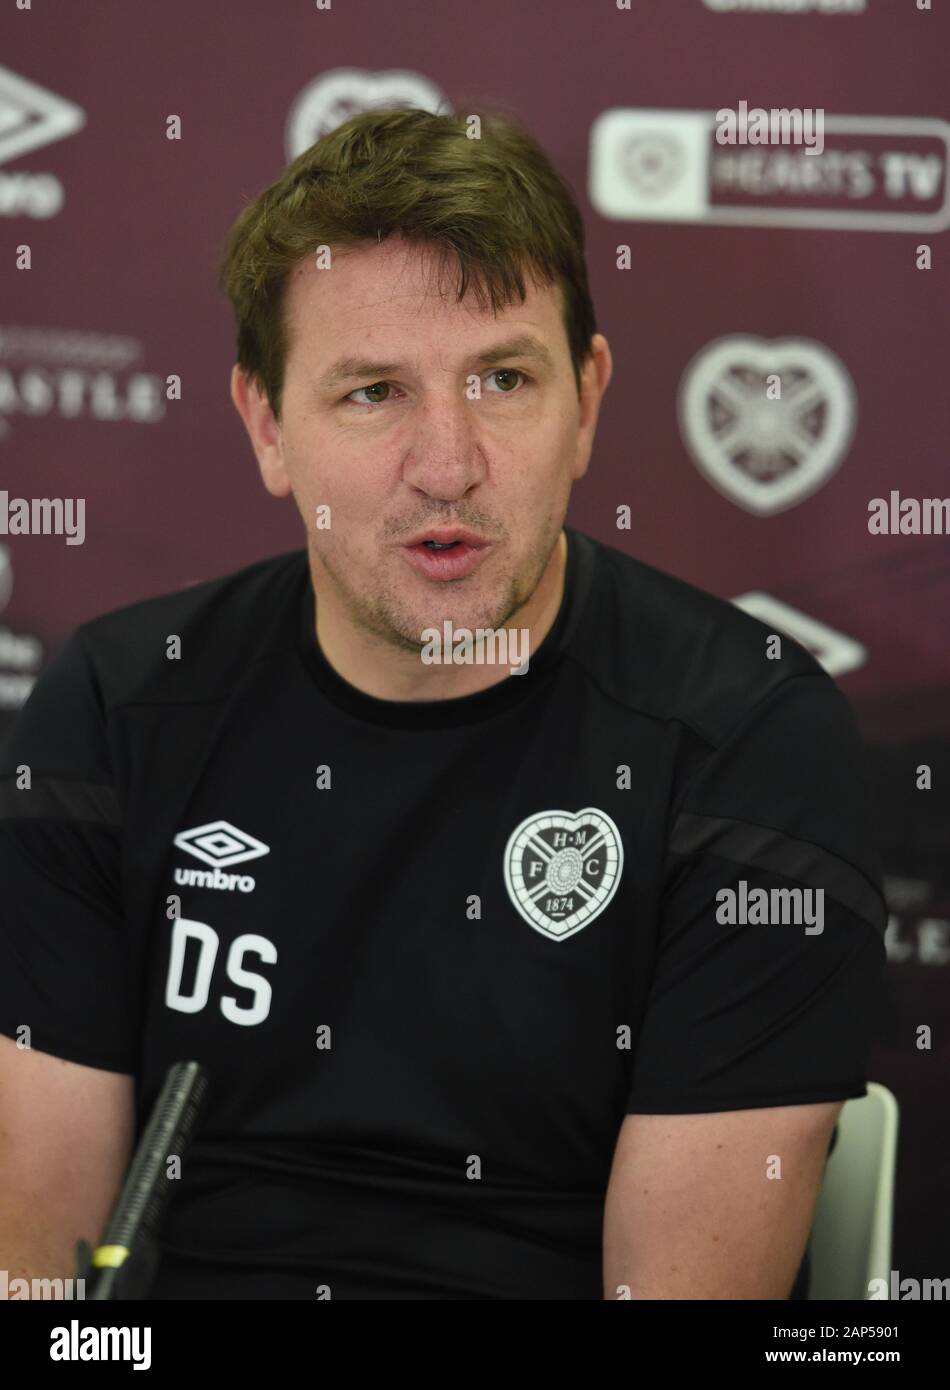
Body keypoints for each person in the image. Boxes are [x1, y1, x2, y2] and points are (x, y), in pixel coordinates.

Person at [0, 108, 885, 1300]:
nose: (447, 462)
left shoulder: (749, 739)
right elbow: (39, 1285)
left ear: (587, 395)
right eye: (372, 393)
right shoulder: (114, 704)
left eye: (503, 378)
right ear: (267, 425)